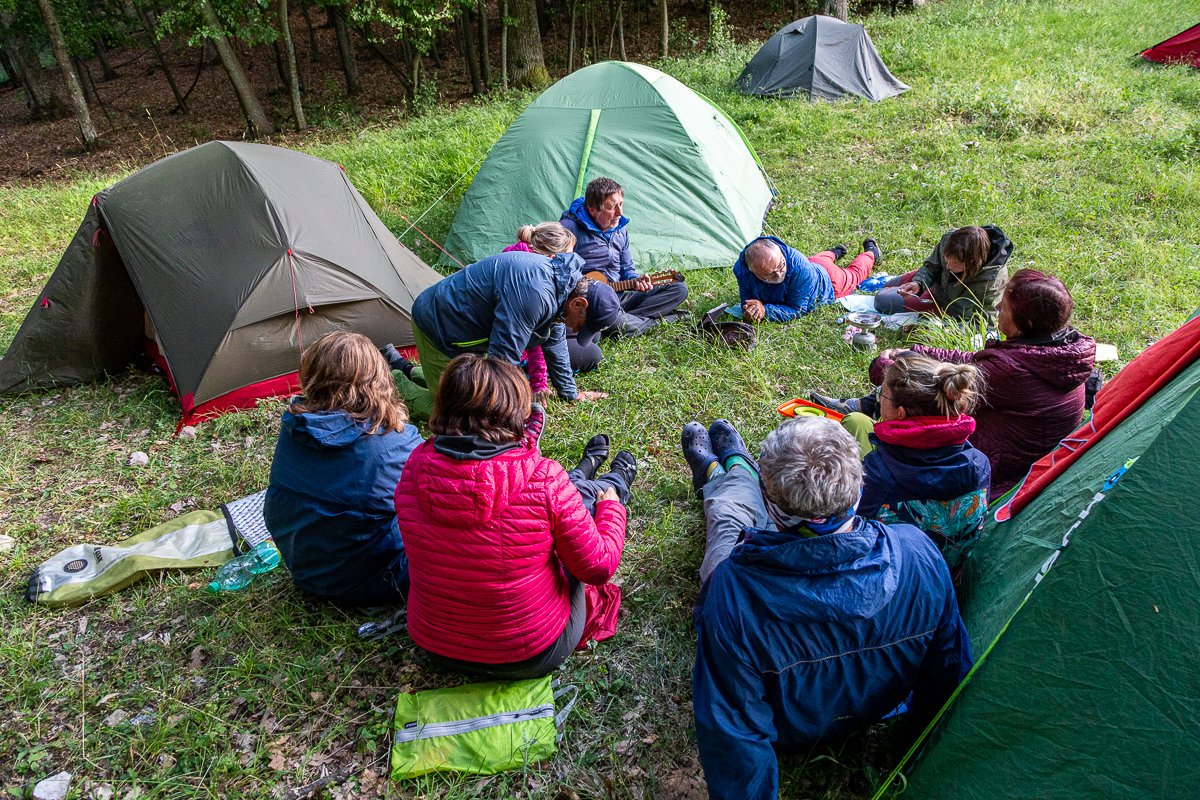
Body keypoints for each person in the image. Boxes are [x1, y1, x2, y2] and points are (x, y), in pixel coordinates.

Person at [680, 416, 972, 800]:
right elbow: (949, 666)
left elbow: (733, 730)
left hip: (790, 730)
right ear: (858, 483)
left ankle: (727, 470)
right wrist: (920, 739)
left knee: (729, 518)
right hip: (879, 709)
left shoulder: (732, 589)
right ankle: (733, 462)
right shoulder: (918, 551)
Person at [394, 354, 636, 679]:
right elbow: (598, 567)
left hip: (438, 647)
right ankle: (616, 482)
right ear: (512, 413)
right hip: (530, 652)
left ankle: (588, 470)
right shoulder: (544, 477)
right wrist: (612, 512)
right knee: (590, 509)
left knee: (567, 497)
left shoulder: (413, 467)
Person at [816, 269, 1096, 499]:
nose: (997, 307)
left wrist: (888, 367)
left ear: (1027, 321)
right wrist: (914, 352)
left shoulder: (1014, 372)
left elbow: (926, 386)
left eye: (1005, 306)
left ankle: (872, 412)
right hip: (1010, 467)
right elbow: (974, 360)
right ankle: (871, 405)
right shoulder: (1058, 354)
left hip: (978, 479)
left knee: (861, 425)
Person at [390, 225, 622, 418]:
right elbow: (502, 361)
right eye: (582, 325)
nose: (577, 329)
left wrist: (570, 393)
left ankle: (413, 371)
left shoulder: (563, 284)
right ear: (579, 304)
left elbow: (554, 342)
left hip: (464, 337)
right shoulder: (535, 292)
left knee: (467, 391)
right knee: (458, 415)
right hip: (439, 328)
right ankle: (392, 381)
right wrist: (511, 413)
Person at [263, 331, 422, 607]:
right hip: (374, 580)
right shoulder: (397, 442)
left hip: (305, 571)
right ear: (378, 380)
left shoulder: (295, 425)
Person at [841, 353, 992, 575]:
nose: (879, 400)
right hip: (945, 578)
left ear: (900, 414)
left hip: (890, 584)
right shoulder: (979, 465)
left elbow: (847, 534)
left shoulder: (877, 474)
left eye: (882, 394)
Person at [560, 176, 689, 340]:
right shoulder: (569, 229)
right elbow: (561, 272)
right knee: (619, 324)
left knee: (679, 288)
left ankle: (623, 321)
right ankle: (647, 321)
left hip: (620, 295)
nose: (620, 213)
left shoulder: (620, 230)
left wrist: (637, 281)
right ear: (592, 209)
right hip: (593, 303)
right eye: (612, 207)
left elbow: (627, 269)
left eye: (621, 204)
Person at [502, 222, 603, 395]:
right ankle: (521, 375)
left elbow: (550, 329)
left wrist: (569, 392)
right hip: (516, 351)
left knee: (592, 334)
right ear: (553, 257)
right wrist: (539, 384)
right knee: (591, 354)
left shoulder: (535, 267)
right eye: (568, 259)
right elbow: (535, 341)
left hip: (522, 342)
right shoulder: (533, 283)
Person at [873, 225, 1013, 324]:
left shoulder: (992, 280)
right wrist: (919, 283)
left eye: (956, 264)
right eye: (947, 259)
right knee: (888, 285)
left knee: (882, 300)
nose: (948, 266)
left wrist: (948, 330)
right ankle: (903, 281)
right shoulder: (950, 240)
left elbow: (984, 321)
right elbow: (932, 266)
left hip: (947, 307)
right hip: (936, 284)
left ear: (972, 262)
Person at [733, 236, 880, 322]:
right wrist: (750, 308)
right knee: (817, 259)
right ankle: (836, 251)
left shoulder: (801, 268)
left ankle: (872, 253)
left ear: (782, 254)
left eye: (781, 265)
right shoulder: (742, 270)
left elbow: (797, 309)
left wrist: (765, 310)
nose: (779, 274)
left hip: (830, 282)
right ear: (752, 271)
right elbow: (747, 299)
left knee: (855, 274)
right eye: (769, 275)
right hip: (815, 263)